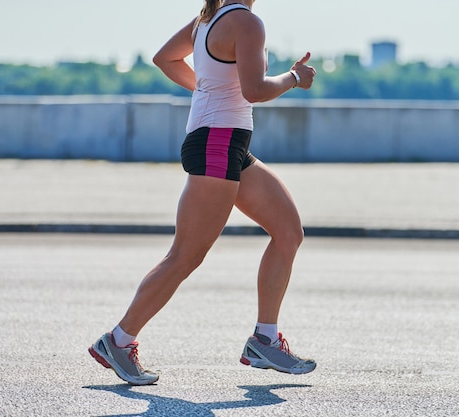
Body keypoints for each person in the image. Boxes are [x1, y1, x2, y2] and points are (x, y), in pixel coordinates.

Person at [88, 0, 317, 385]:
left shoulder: (207, 20)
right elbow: (255, 90)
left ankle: (265, 339)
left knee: (288, 232)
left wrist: (207, 87)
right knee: (185, 256)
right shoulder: (246, 22)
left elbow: (166, 59)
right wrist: (294, 77)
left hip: (229, 145)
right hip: (216, 144)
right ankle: (118, 340)